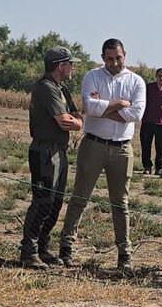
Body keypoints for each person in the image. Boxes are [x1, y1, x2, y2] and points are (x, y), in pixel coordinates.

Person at [57, 38, 146, 271]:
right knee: (80, 197)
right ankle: (66, 247)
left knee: (120, 203)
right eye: (109, 58)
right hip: (93, 145)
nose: (114, 63)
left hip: (122, 149)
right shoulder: (92, 76)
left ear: (125, 55)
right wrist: (120, 104)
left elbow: (136, 113)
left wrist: (104, 108)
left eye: (118, 58)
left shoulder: (136, 81)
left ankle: (124, 254)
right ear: (102, 58)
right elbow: (89, 106)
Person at [20, 47, 83, 269]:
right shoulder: (46, 88)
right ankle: (28, 251)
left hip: (59, 151)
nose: (72, 68)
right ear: (60, 66)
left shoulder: (61, 89)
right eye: (70, 64)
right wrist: (76, 123)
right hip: (45, 151)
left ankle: (42, 248)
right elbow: (65, 121)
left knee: (55, 203)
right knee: (43, 202)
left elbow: (76, 116)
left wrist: (77, 122)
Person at [139, 68, 162, 175]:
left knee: (161, 148)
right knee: (145, 146)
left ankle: (159, 168)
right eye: (159, 76)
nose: (161, 78)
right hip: (147, 122)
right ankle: (147, 167)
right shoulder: (148, 88)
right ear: (155, 76)